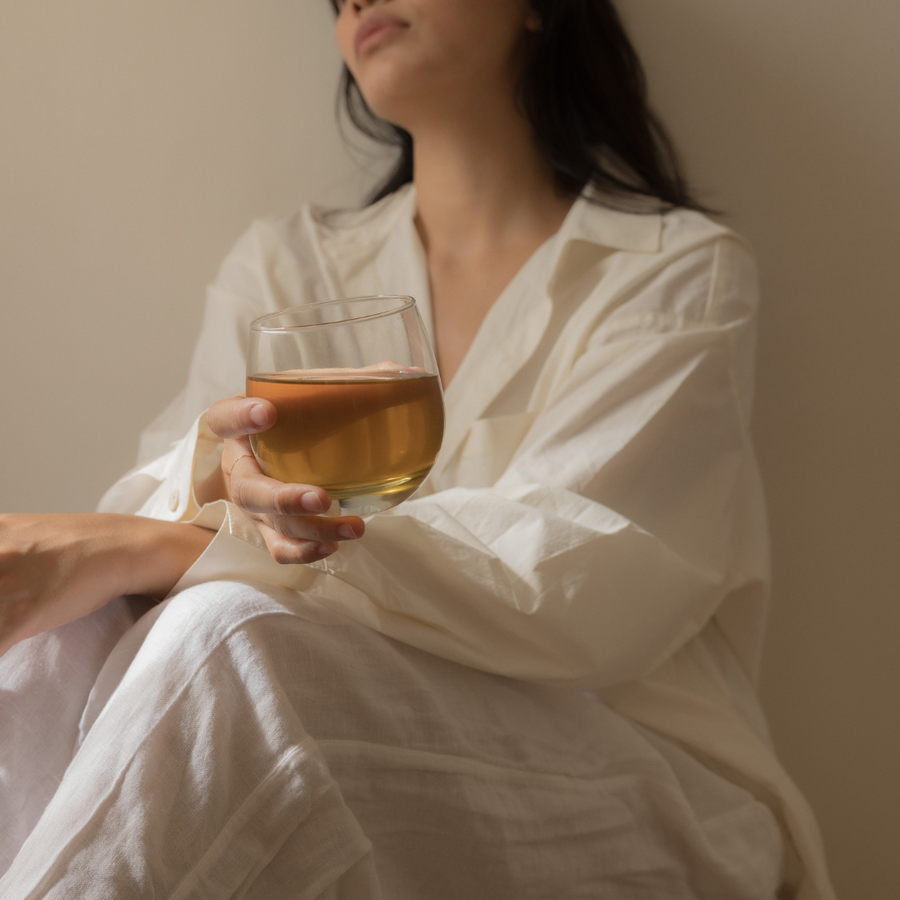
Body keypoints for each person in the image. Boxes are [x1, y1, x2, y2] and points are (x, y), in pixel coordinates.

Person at [0, 1, 836, 897]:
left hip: (649, 772)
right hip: (363, 724)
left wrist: (192, 546)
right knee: (67, 626)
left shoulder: (675, 270)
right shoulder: (287, 268)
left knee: (226, 632)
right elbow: (167, 490)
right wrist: (189, 519)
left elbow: (583, 575)